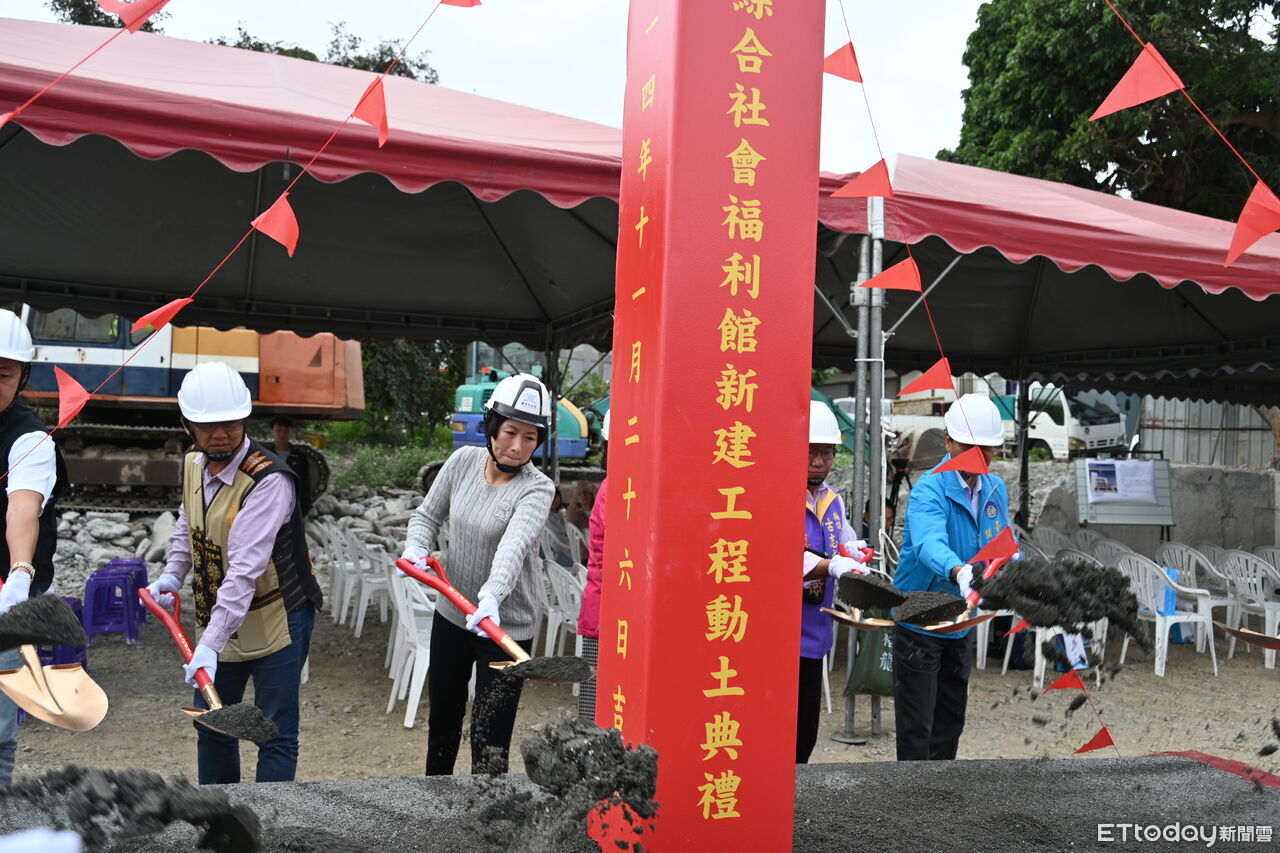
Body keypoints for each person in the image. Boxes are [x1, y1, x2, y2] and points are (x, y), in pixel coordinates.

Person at [145, 362, 323, 785]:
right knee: (214, 723)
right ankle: (221, 820)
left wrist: (208, 644)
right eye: (207, 425)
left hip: (277, 616)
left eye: (229, 422)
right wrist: (173, 574)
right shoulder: (193, 463)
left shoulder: (268, 481)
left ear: (244, 417)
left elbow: (245, 569)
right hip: (221, 616)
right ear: (187, 424)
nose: (220, 433)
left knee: (274, 733)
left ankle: (270, 831)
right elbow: (189, 520)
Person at [400, 373, 555, 775]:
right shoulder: (462, 461)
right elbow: (427, 514)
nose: (518, 447)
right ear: (491, 426)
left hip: (504, 626)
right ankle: (437, 802)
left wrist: (492, 596)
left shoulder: (538, 489)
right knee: (444, 719)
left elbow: (513, 547)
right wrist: (417, 544)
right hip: (452, 613)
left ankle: (489, 824)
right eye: (510, 432)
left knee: (491, 737)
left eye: (531, 437)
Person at [892, 393, 1011, 761]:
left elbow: (1002, 540)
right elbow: (929, 543)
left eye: (987, 448)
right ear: (948, 442)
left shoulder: (995, 488)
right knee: (917, 726)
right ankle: (912, 805)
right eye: (968, 445)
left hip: (960, 618)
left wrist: (1012, 567)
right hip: (920, 618)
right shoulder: (929, 489)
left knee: (950, 720)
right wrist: (959, 571)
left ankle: (942, 803)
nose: (979, 455)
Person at [0, 309, 68, 787]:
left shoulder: (30, 439)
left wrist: (19, 572)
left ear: (23, 376)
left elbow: (22, 509)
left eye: (1, 374)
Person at [798, 401, 867, 763]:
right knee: (781, 732)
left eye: (826, 452)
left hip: (816, 631)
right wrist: (832, 565)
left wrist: (853, 551)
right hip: (780, 637)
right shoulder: (776, 494)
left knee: (805, 733)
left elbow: (842, 537)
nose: (818, 461)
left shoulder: (831, 500)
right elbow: (782, 558)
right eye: (811, 452)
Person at [576, 410, 608, 722]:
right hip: (605, 619)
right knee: (596, 718)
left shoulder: (618, 487)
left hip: (603, 615)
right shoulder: (619, 491)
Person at [269, 415, 314, 516]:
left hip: (294, 503)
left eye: (286, 431)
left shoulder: (300, 457)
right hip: (271, 502)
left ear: (291, 432)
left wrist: (305, 506)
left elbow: (305, 483)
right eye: (278, 430)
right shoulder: (266, 455)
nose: (282, 434)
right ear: (272, 432)